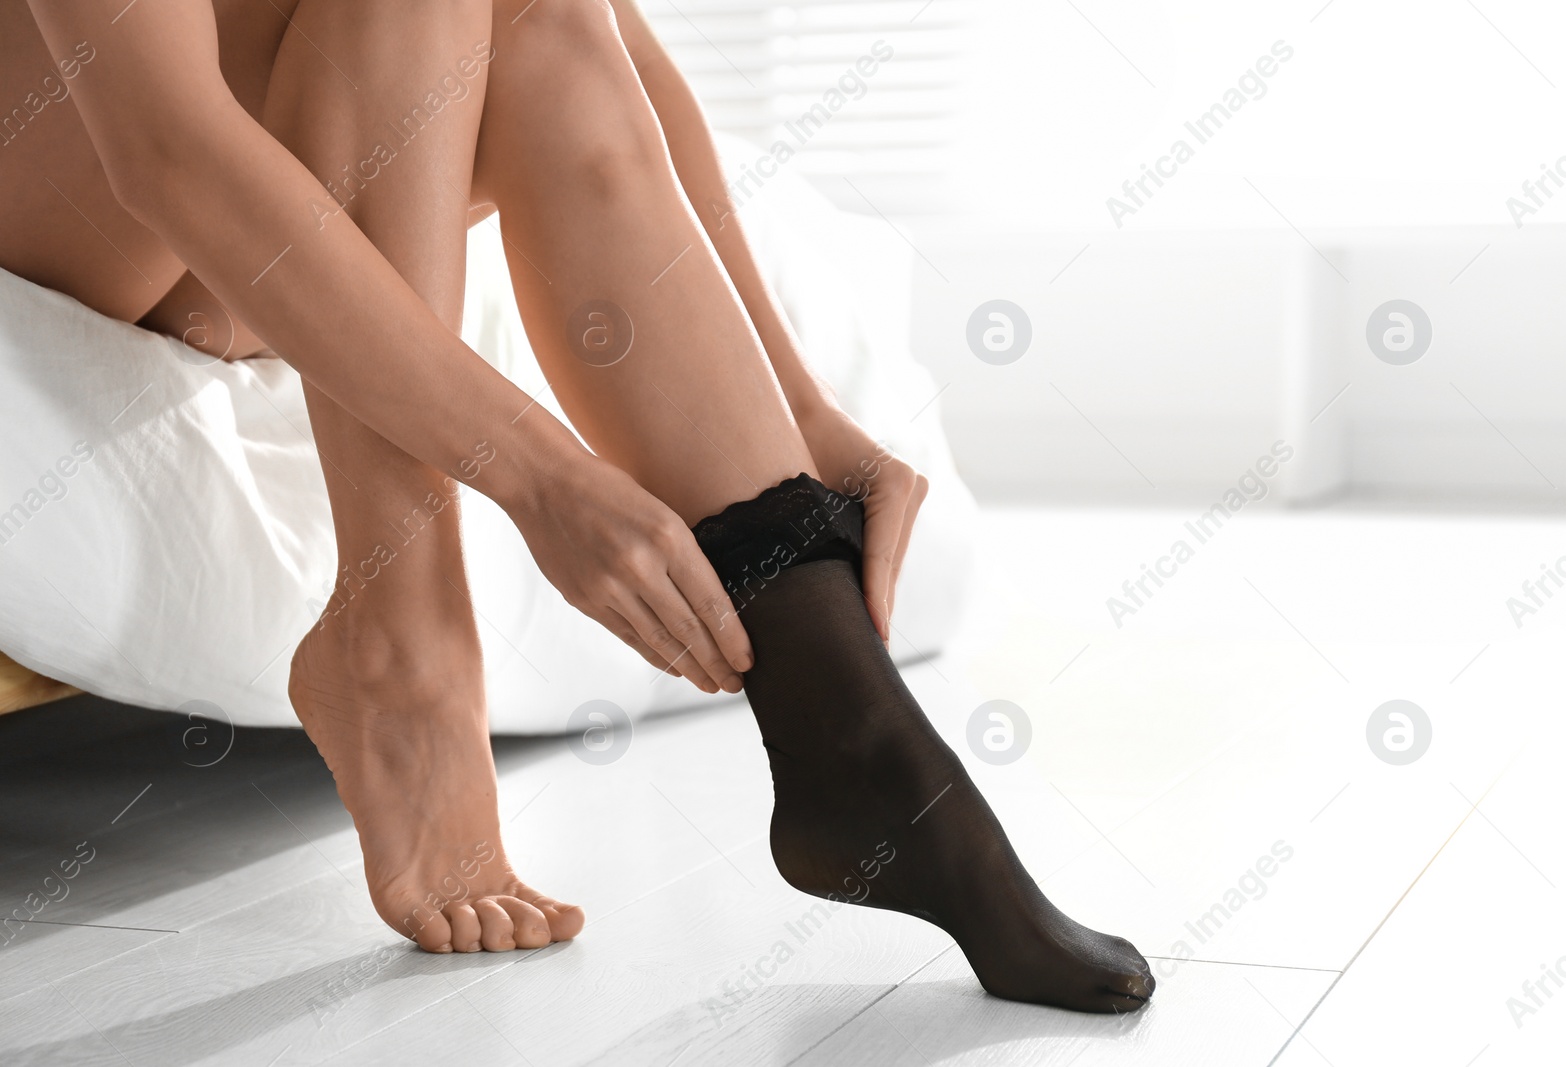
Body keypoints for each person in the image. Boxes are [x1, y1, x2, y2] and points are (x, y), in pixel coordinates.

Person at [0, 0, 1153, 1012]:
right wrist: (539, 477)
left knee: (535, 20)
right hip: (86, 168)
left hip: (244, 207)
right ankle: (405, 642)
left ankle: (846, 721)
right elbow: (164, 147)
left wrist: (797, 401)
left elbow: (606, 43)